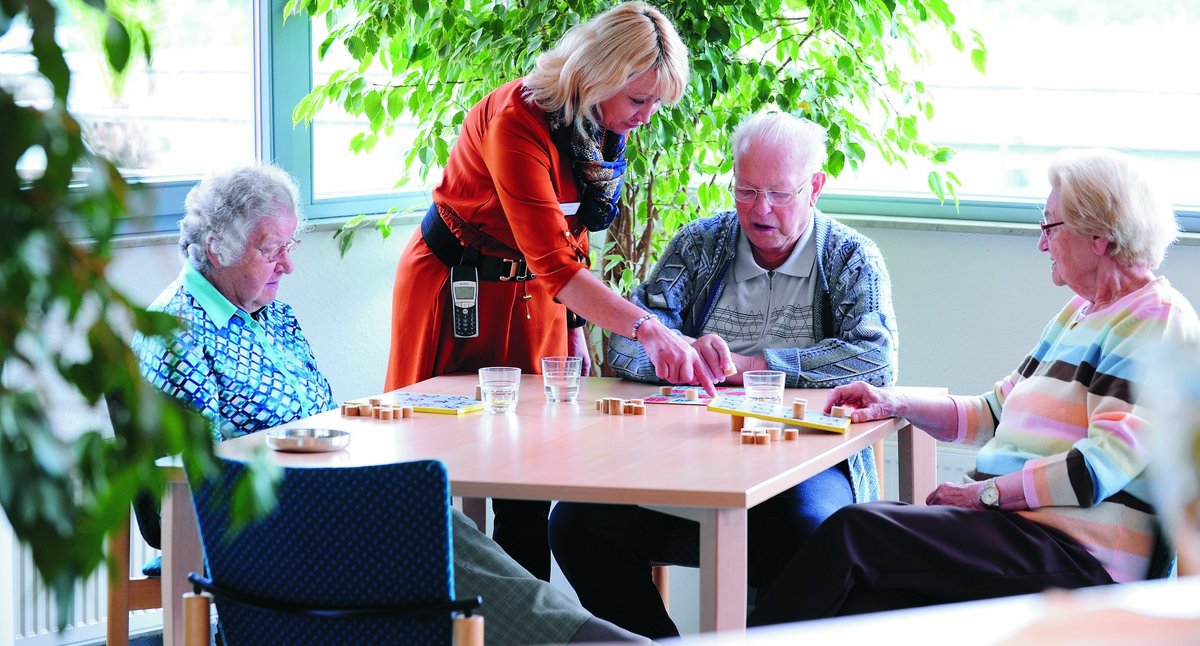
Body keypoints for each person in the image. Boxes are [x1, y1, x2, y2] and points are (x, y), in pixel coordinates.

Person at [133, 165, 644, 645]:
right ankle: (582, 637)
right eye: (272, 250)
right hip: (260, 521)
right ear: (216, 249)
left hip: (316, 492)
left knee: (428, 511)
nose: (288, 264)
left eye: (289, 246)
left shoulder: (270, 313)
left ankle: (576, 635)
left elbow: (317, 416)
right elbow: (190, 480)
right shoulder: (176, 331)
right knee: (415, 515)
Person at [746, 148, 1200, 627]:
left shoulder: (1154, 319)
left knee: (854, 532)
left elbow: (1095, 470)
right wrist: (894, 401)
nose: (1042, 244)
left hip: (1081, 559)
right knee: (862, 606)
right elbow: (992, 412)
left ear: (1100, 238)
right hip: (1021, 533)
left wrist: (985, 496)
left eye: (1050, 226)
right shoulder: (1079, 313)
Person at [383, 2, 704, 582]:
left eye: (658, 101)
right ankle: (412, 610)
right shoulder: (516, 120)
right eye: (639, 99)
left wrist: (576, 328)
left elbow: (569, 233)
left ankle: (521, 628)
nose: (648, 115)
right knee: (419, 458)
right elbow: (557, 262)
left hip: (535, 296)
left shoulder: (594, 129)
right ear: (599, 75)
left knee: (525, 470)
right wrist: (649, 328)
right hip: (456, 288)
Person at [548, 111, 899, 638]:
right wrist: (681, 354)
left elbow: (876, 359)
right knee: (578, 525)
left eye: (779, 194)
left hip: (803, 463)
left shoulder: (851, 257)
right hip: (688, 458)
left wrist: (756, 367)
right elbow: (625, 342)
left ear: (815, 188)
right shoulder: (699, 245)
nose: (761, 209)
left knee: (818, 535)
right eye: (746, 189)